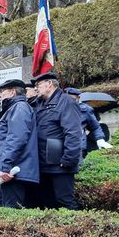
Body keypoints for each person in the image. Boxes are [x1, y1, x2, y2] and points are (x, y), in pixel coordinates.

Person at [32, 72, 83, 210]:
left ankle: (74, 230)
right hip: (44, 163)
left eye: (38, 85)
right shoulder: (39, 104)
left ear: (49, 84)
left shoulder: (66, 101)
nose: (36, 88)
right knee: (48, 203)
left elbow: (73, 133)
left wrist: (68, 159)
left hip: (61, 164)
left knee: (65, 201)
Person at [0, 79, 39, 208]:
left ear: (12, 92)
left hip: (13, 173)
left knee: (12, 213)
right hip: (12, 172)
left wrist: (5, 167)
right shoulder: (14, 108)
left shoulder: (19, 108)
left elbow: (16, 139)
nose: (0, 95)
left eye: (2, 92)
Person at [63, 87, 112, 157]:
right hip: (62, 146)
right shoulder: (60, 108)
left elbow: (95, 127)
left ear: (78, 98)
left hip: (79, 147)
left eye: (73, 99)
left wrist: (100, 140)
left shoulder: (85, 109)